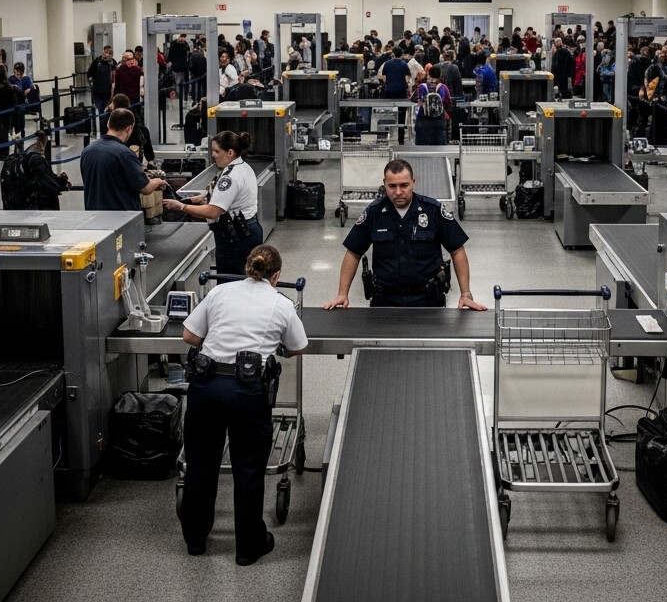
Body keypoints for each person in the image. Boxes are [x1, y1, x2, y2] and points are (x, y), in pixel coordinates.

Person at [179, 244, 307, 563]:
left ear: (247, 266)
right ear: (276, 275)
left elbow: (189, 337)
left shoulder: (221, 293)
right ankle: (249, 547)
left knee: (200, 463)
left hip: (205, 387)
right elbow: (297, 347)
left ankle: (195, 540)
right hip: (246, 392)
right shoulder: (281, 304)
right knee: (247, 469)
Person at [323, 159, 486, 310]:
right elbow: (353, 252)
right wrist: (342, 294)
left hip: (428, 300)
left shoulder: (433, 211)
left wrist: (465, 294)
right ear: (384, 184)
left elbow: (457, 250)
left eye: (404, 185)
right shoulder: (374, 213)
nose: (398, 192)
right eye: (392, 186)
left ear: (413, 182)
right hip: (385, 300)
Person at [163, 131, 262, 277]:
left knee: (230, 282)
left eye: (217, 151)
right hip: (248, 229)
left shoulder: (230, 177)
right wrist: (194, 199)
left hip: (236, 237)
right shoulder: (243, 167)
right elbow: (225, 198)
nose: (213, 155)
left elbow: (213, 211)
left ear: (230, 152)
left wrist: (182, 207)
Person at [79, 108, 165, 211]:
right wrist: (158, 181)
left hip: (94, 217)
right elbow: (145, 188)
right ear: (129, 128)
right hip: (121, 219)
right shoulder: (125, 154)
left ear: (108, 124)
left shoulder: (87, 151)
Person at [412, 65, 451, 146]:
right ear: (439, 76)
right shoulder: (443, 88)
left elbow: (414, 100)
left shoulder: (422, 87)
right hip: (439, 121)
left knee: (422, 149)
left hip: (423, 121)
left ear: (429, 74)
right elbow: (448, 104)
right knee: (439, 149)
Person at [88, 45, 117, 133]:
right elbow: (89, 74)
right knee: (102, 114)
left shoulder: (113, 64)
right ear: (103, 52)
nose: (107, 54)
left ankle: (109, 132)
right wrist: (92, 83)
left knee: (109, 115)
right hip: (98, 93)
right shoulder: (97, 62)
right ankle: (103, 133)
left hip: (110, 94)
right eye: (106, 52)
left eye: (109, 53)